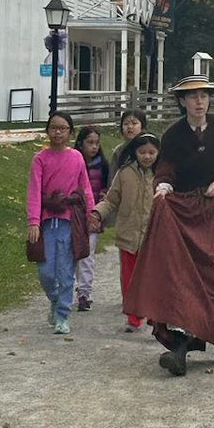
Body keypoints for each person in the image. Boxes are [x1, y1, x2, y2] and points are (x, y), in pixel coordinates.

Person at [123, 73, 214, 376]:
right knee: (185, 280)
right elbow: (166, 172)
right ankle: (181, 342)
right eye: (193, 96)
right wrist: (162, 189)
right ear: (182, 101)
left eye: (204, 95)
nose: (199, 101)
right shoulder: (173, 135)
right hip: (187, 215)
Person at [26, 112, 94, 336]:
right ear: (47, 130)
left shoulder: (76, 157)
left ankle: (63, 315)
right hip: (46, 222)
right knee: (45, 271)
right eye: (54, 128)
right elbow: (35, 191)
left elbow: (84, 187)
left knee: (65, 271)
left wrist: (91, 214)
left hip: (68, 221)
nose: (57, 132)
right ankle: (54, 299)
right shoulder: (40, 158)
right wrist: (33, 221)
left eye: (63, 128)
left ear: (70, 132)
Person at [88, 132, 161, 331]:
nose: (147, 156)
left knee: (153, 278)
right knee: (129, 278)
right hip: (128, 235)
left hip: (154, 238)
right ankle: (133, 317)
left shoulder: (163, 176)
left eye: (152, 152)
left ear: (158, 153)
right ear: (135, 152)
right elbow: (111, 200)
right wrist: (97, 213)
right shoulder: (125, 173)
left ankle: (155, 316)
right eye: (142, 152)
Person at [73, 125, 109, 312]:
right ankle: (68, 289)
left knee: (87, 254)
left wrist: (100, 204)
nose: (94, 147)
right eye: (90, 143)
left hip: (93, 215)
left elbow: (106, 188)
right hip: (73, 215)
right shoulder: (73, 161)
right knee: (72, 254)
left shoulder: (102, 165)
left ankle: (84, 293)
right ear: (80, 144)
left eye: (97, 143)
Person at [108, 109, 147, 182]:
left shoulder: (150, 148)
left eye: (134, 123)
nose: (130, 127)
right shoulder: (119, 151)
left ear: (142, 127)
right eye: (126, 124)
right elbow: (112, 178)